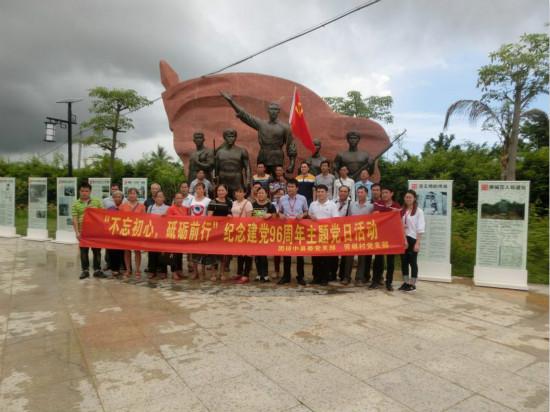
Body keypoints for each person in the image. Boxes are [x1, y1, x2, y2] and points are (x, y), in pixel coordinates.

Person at [277, 179, 308, 285]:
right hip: (287, 229)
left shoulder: (302, 198)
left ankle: (300, 276)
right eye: (288, 186)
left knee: (300, 254)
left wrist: (302, 215)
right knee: (286, 253)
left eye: (292, 186)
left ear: (297, 188)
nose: (290, 188)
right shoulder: (282, 199)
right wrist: (280, 215)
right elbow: (279, 212)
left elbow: (306, 211)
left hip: (299, 228)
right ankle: (286, 276)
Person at [72, 182, 105, 280]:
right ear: (79, 191)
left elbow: (103, 215)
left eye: (86, 191)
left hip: (95, 232)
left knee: (97, 252)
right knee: (83, 252)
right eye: (82, 191)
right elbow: (74, 219)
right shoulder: (76, 204)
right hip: (83, 232)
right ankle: (85, 271)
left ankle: (97, 270)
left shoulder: (96, 202)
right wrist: (77, 233)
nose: (84, 193)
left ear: (90, 192)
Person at [371, 186, 401, 291]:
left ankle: (389, 282)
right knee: (378, 260)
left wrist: (386, 214)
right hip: (380, 235)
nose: (384, 195)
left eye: (386, 192)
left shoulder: (396, 206)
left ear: (391, 194)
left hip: (391, 237)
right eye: (383, 193)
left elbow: (398, 220)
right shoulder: (378, 203)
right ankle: (375, 280)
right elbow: (375, 215)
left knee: (390, 261)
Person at [308, 185, 339, 286]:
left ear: (327, 193)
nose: (320, 193)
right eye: (318, 192)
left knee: (325, 258)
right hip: (315, 235)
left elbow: (335, 220)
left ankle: (325, 278)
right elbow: (309, 216)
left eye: (322, 191)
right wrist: (311, 218)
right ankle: (316, 277)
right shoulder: (313, 204)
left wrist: (321, 222)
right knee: (315, 257)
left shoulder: (332, 205)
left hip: (327, 235)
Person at [347, 186, 374, 285]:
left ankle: (359, 278)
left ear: (366, 194)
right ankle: (346, 277)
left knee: (362, 257)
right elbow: (349, 218)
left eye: (362, 192)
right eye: (358, 192)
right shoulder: (352, 205)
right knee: (349, 256)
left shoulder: (371, 206)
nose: (360, 194)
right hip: (353, 234)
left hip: (364, 235)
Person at [400, 190, 425, 292]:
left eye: (410, 197)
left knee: (412, 262)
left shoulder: (419, 211)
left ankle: (412, 284)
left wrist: (418, 243)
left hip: (413, 238)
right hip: (403, 239)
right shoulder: (402, 210)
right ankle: (406, 282)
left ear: (414, 198)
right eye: (406, 197)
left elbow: (420, 228)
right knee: (404, 262)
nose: (408, 199)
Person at [207, 184, 233, 281]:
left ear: (226, 192)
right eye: (219, 190)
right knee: (213, 253)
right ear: (216, 192)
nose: (221, 192)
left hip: (225, 231)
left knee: (223, 253)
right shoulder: (212, 202)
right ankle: (213, 273)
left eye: (222, 190)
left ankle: (222, 273)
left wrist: (230, 216)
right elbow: (209, 217)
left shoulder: (229, 202)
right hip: (214, 231)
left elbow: (231, 213)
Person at [120, 188, 146, 279]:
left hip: (137, 231)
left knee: (137, 251)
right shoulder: (122, 206)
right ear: (127, 195)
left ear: (137, 195)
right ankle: (128, 269)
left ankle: (138, 269)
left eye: (134, 193)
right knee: (127, 251)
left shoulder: (142, 206)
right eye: (130, 193)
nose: (132, 195)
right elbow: (119, 219)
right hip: (126, 231)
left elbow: (144, 219)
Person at [251, 187, 277, 282]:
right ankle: (258, 274)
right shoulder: (253, 205)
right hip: (255, 233)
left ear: (266, 194)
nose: (260, 195)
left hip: (266, 233)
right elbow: (250, 217)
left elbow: (275, 220)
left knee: (263, 255)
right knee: (257, 254)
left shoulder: (270, 206)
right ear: (256, 195)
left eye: (262, 193)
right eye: (259, 193)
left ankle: (265, 274)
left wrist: (270, 215)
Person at [231, 187, 254, 284]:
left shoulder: (248, 203)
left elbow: (249, 219)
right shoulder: (234, 203)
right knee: (240, 252)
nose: (238, 193)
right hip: (236, 230)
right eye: (237, 191)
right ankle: (239, 272)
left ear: (244, 193)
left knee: (247, 253)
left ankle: (246, 274)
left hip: (245, 230)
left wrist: (245, 229)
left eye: (240, 192)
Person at [189, 182, 211, 280]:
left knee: (203, 250)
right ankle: (195, 271)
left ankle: (203, 271)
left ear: (204, 190)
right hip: (193, 227)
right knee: (193, 250)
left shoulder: (208, 200)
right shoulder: (191, 200)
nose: (199, 190)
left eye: (200, 188)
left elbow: (209, 215)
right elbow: (189, 214)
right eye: (197, 189)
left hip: (203, 228)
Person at [167, 192, 190, 281]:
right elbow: (168, 221)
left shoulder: (186, 209)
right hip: (173, 234)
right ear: (174, 199)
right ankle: (174, 272)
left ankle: (180, 270)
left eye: (181, 198)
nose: (179, 200)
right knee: (174, 254)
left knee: (180, 254)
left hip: (182, 233)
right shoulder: (171, 209)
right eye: (177, 198)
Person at [147, 191, 170, 280]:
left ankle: (163, 271)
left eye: (161, 197)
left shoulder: (168, 208)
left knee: (163, 253)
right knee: (152, 253)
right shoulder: (150, 208)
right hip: (153, 233)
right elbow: (146, 219)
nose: (159, 198)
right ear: (154, 198)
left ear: (164, 198)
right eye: (158, 197)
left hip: (163, 234)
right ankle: (152, 271)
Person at [331, 185, 352, 281]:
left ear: (348, 193)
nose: (343, 193)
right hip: (334, 231)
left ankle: (344, 275)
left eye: (345, 191)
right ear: (338, 192)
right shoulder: (332, 202)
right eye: (341, 191)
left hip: (346, 231)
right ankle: (332, 274)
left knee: (345, 254)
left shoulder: (351, 204)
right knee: (333, 254)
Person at [105, 190, 125, 277]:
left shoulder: (125, 208)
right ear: (113, 198)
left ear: (122, 198)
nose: (117, 198)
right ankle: (114, 269)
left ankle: (123, 268)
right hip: (112, 234)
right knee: (112, 252)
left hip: (123, 234)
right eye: (115, 197)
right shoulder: (109, 209)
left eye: (119, 197)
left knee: (121, 252)